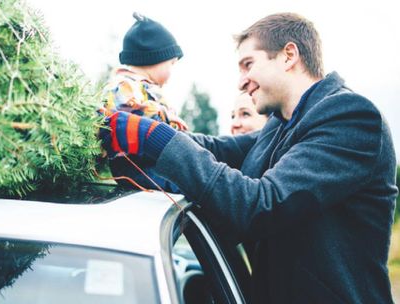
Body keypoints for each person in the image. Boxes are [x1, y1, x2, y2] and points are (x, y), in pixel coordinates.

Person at [100, 12, 398, 303]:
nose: (242, 81)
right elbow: (221, 150)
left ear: (288, 55)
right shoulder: (282, 123)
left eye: (247, 65)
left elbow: (261, 206)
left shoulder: (350, 117)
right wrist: (142, 133)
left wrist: (157, 140)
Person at [103, 12, 186, 193]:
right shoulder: (123, 85)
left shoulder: (144, 88)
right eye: (172, 64)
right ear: (156, 59)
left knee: (189, 183)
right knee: (185, 189)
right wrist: (165, 116)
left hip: (152, 163)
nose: (172, 71)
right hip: (137, 167)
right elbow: (128, 115)